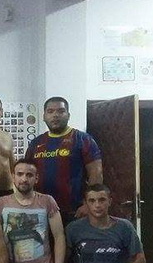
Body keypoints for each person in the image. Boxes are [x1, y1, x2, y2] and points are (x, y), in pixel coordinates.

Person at [25, 96, 103, 225]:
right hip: (40, 210)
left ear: (68, 115)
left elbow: (96, 175)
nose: (55, 115)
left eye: (61, 111)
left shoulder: (83, 140)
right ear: (44, 116)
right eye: (50, 111)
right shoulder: (36, 143)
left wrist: (88, 205)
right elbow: (26, 174)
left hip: (74, 212)